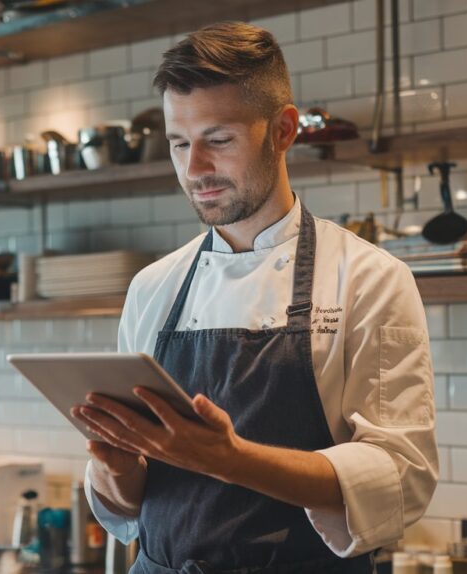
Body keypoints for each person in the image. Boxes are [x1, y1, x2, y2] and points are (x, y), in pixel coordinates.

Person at [71, 21, 437, 574]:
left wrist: (230, 460)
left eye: (219, 140)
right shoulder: (153, 287)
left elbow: (397, 477)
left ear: (284, 130)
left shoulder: (369, 278)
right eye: (178, 144)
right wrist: (117, 469)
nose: (194, 170)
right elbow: (128, 511)